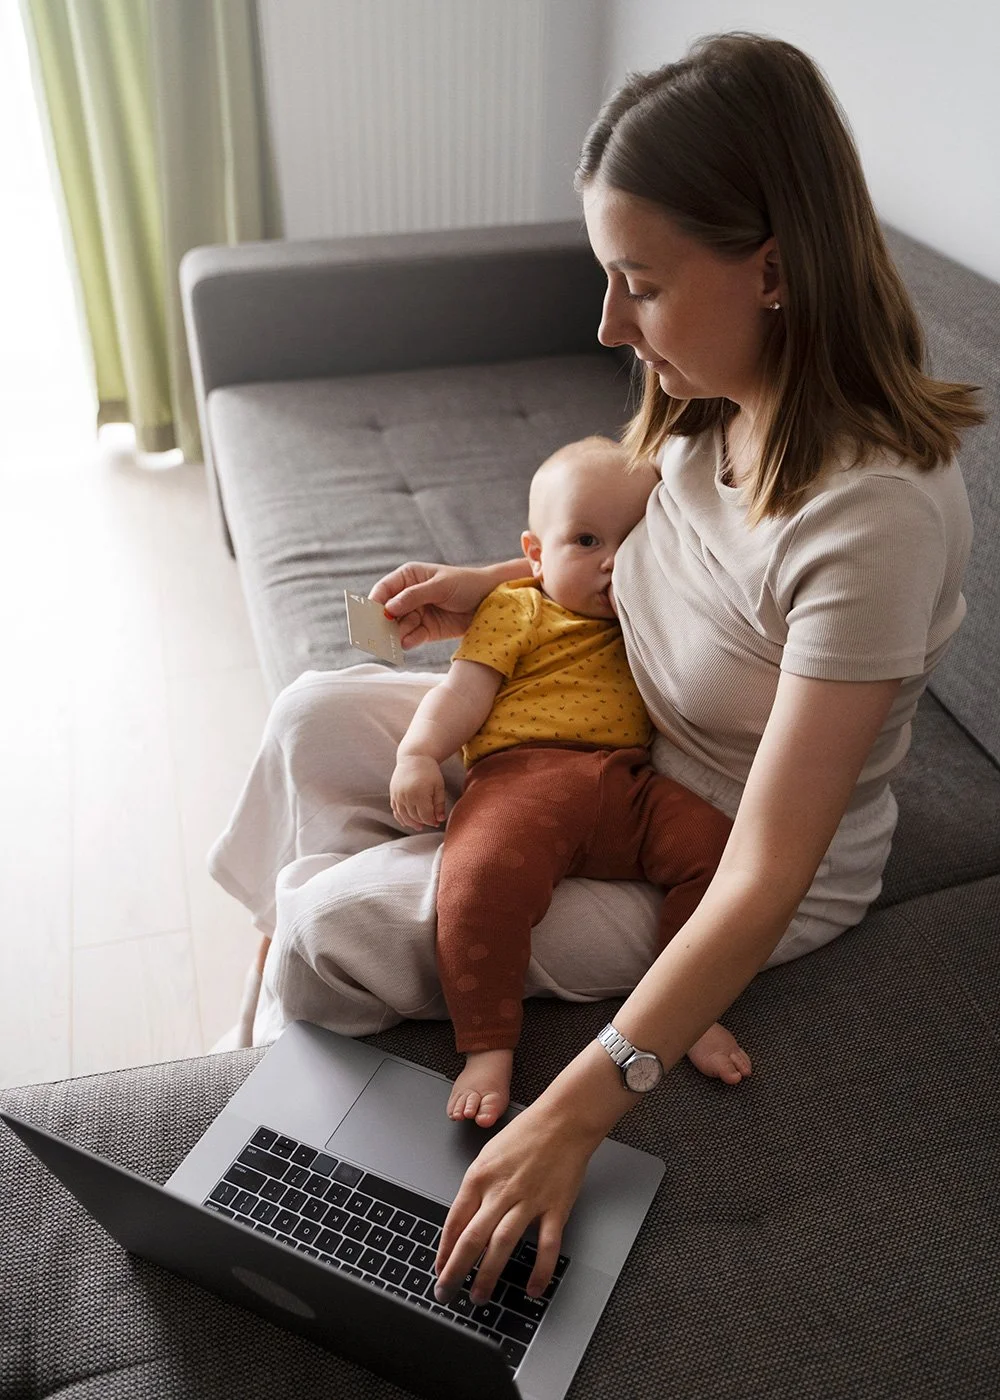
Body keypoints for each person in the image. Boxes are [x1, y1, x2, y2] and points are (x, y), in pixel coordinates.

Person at [209, 32, 982, 1311]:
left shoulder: (869, 517)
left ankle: (316, 944)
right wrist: (485, 584)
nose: (610, 322)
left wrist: (575, 1115)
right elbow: (622, 558)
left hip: (709, 838)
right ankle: (308, 930)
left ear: (775, 270)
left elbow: (766, 868)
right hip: (606, 717)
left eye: (639, 282)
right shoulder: (711, 390)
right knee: (311, 717)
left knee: (337, 926)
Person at [389, 436, 739, 1128]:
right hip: (524, 778)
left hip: (629, 789)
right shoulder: (517, 608)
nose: (612, 560)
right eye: (586, 540)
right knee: (478, 876)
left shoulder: (648, 614)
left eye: (631, 541)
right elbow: (461, 693)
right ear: (536, 553)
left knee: (718, 850)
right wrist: (418, 753)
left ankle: (691, 1004)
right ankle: (487, 1044)